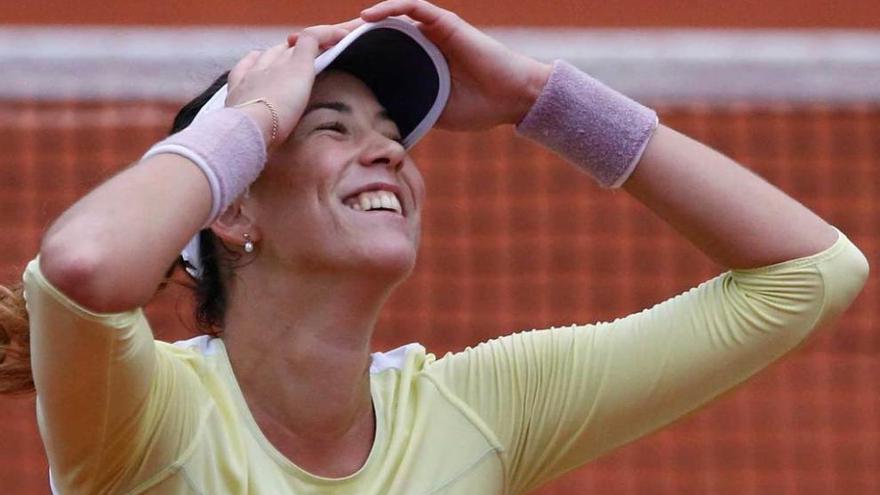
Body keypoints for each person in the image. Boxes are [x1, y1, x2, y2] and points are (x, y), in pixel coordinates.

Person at [0, 1, 869, 493]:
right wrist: (255, 118)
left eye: (391, 133)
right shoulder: (144, 413)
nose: (386, 151)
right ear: (233, 213)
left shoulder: (479, 410)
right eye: (329, 128)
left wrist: (543, 98)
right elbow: (84, 266)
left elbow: (808, 272)